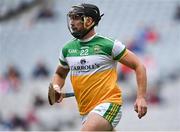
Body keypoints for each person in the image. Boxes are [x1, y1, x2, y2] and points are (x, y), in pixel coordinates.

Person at [49, 3, 147, 131]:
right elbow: (60, 74)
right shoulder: (67, 49)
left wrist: (141, 97)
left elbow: (138, 65)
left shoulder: (108, 45)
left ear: (89, 21)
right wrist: (56, 86)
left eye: (76, 17)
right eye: (71, 18)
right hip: (86, 112)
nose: (72, 22)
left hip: (109, 104)